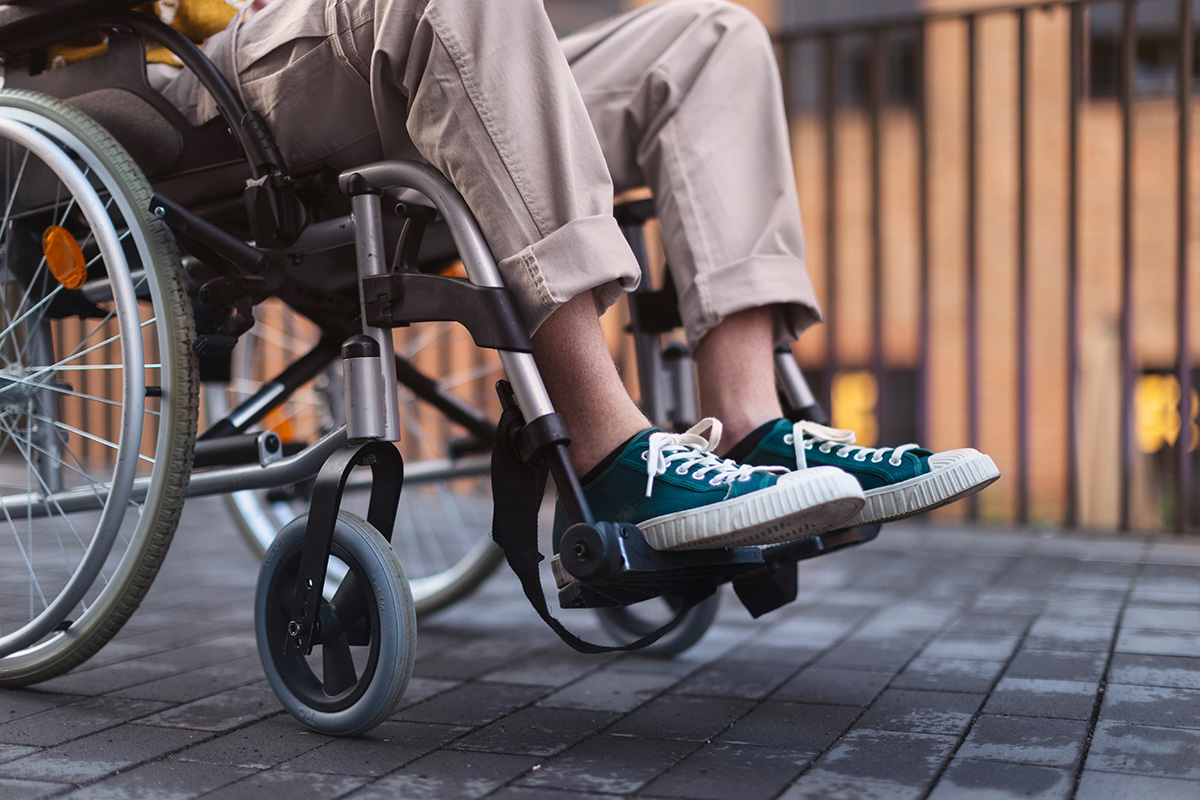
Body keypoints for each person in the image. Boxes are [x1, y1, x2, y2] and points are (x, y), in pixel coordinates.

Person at [153, 0, 998, 551]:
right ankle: (607, 446)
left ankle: (749, 422)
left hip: (379, 52)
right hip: (204, 73)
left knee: (712, 42)